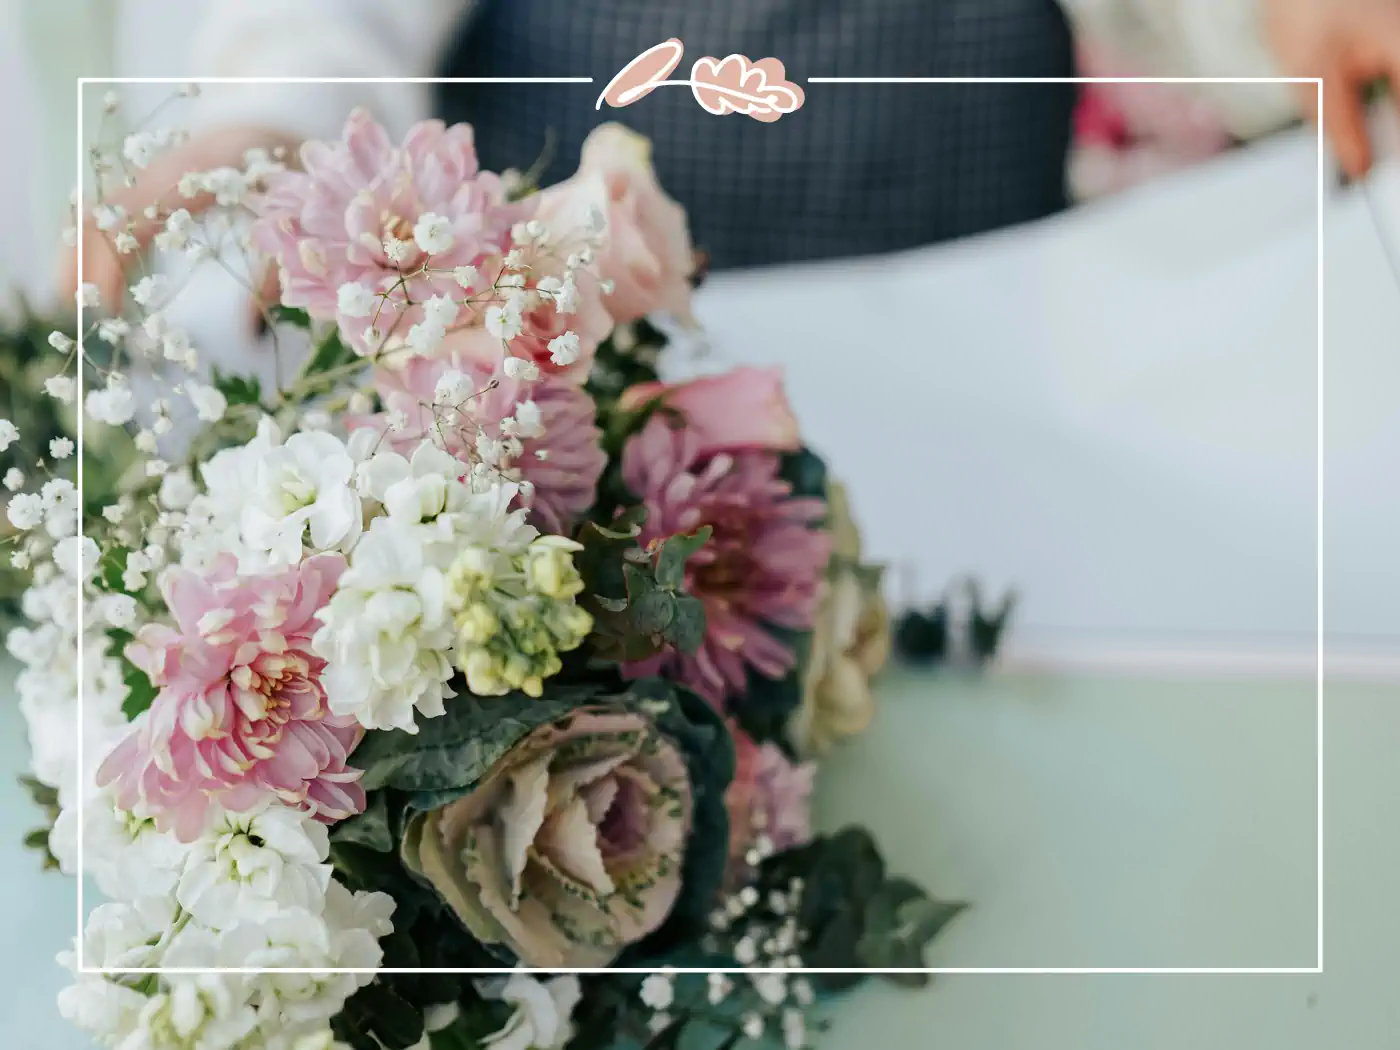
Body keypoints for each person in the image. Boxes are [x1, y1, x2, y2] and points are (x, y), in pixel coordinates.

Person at [62, 0, 1400, 305]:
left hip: (996, 304)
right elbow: (329, 17)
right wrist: (267, 127)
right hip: (553, 334)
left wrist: (1276, 11)